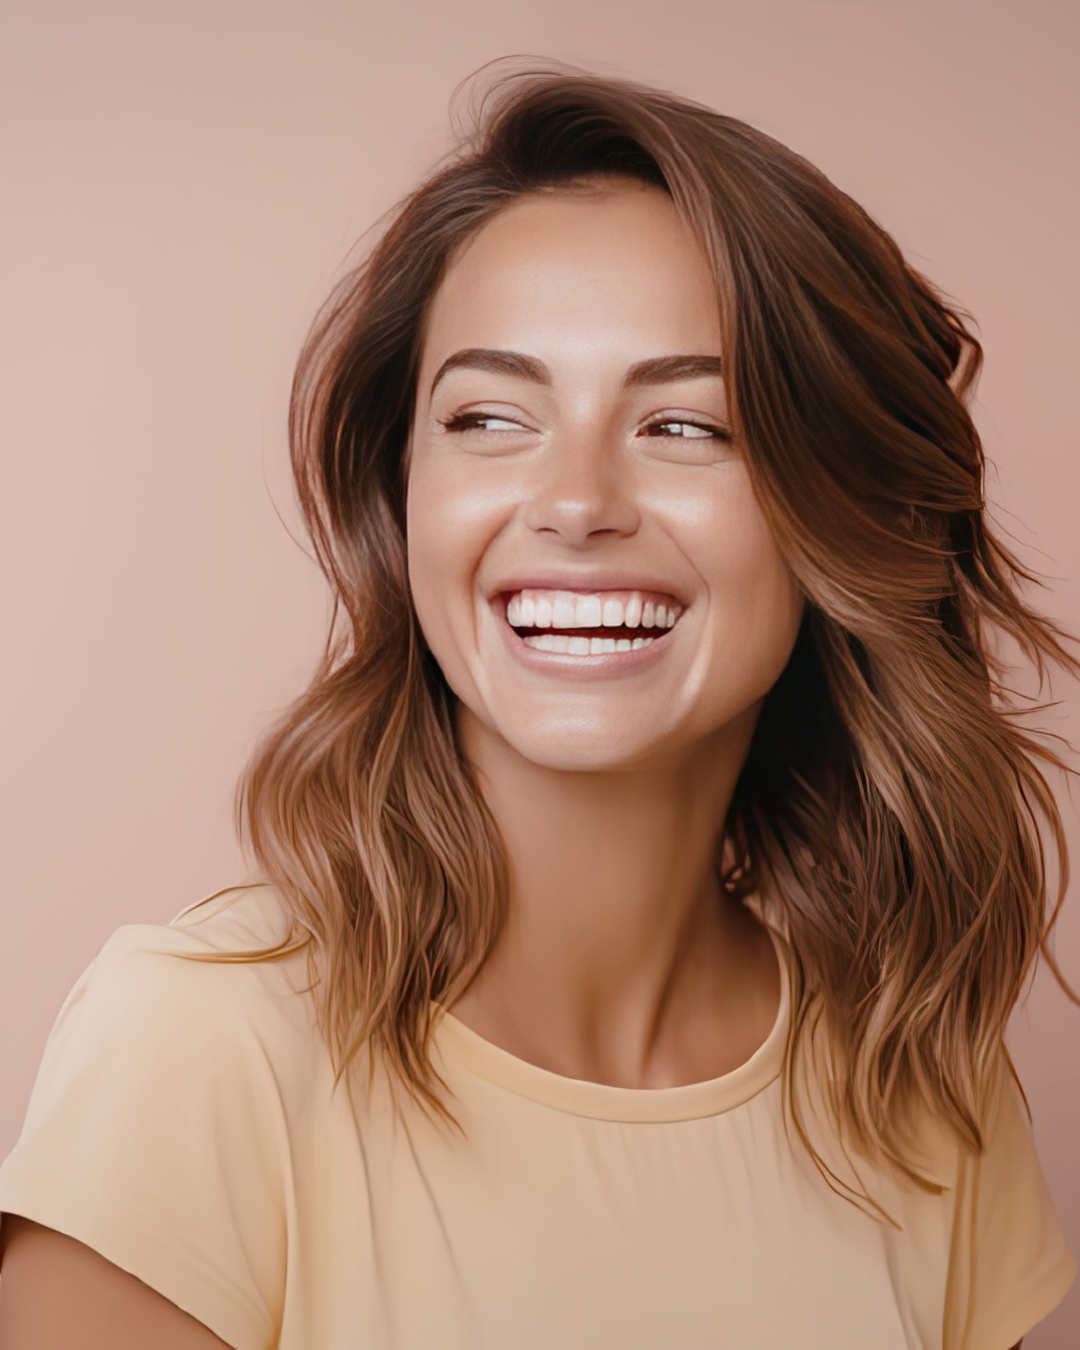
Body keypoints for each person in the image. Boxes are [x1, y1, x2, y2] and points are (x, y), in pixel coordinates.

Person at [0, 66, 1075, 1350]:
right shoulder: (200, 1052)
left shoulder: (921, 1086)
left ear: (834, 512)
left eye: (689, 425)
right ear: (398, 507)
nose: (574, 502)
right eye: (489, 416)